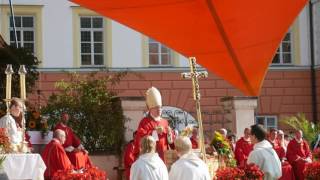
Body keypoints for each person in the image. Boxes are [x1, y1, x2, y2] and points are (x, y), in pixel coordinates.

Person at [133, 87, 174, 162]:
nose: (159, 110)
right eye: (156, 108)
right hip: (150, 156)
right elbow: (141, 138)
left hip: (164, 155)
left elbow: (170, 142)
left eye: (160, 108)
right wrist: (154, 133)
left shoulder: (165, 121)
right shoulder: (144, 122)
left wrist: (169, 134)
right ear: (150, 109)